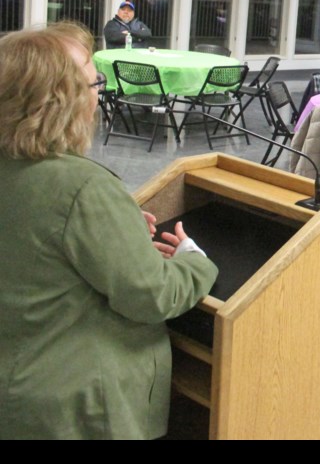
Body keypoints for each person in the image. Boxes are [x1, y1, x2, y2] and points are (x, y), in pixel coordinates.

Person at [0, 22, 218, 439]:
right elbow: (153, 295)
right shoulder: (83, 187)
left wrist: (115, 230)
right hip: (77, 409)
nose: (98, 94)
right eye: (92, 82)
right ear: (57, 101)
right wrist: (194, 262)